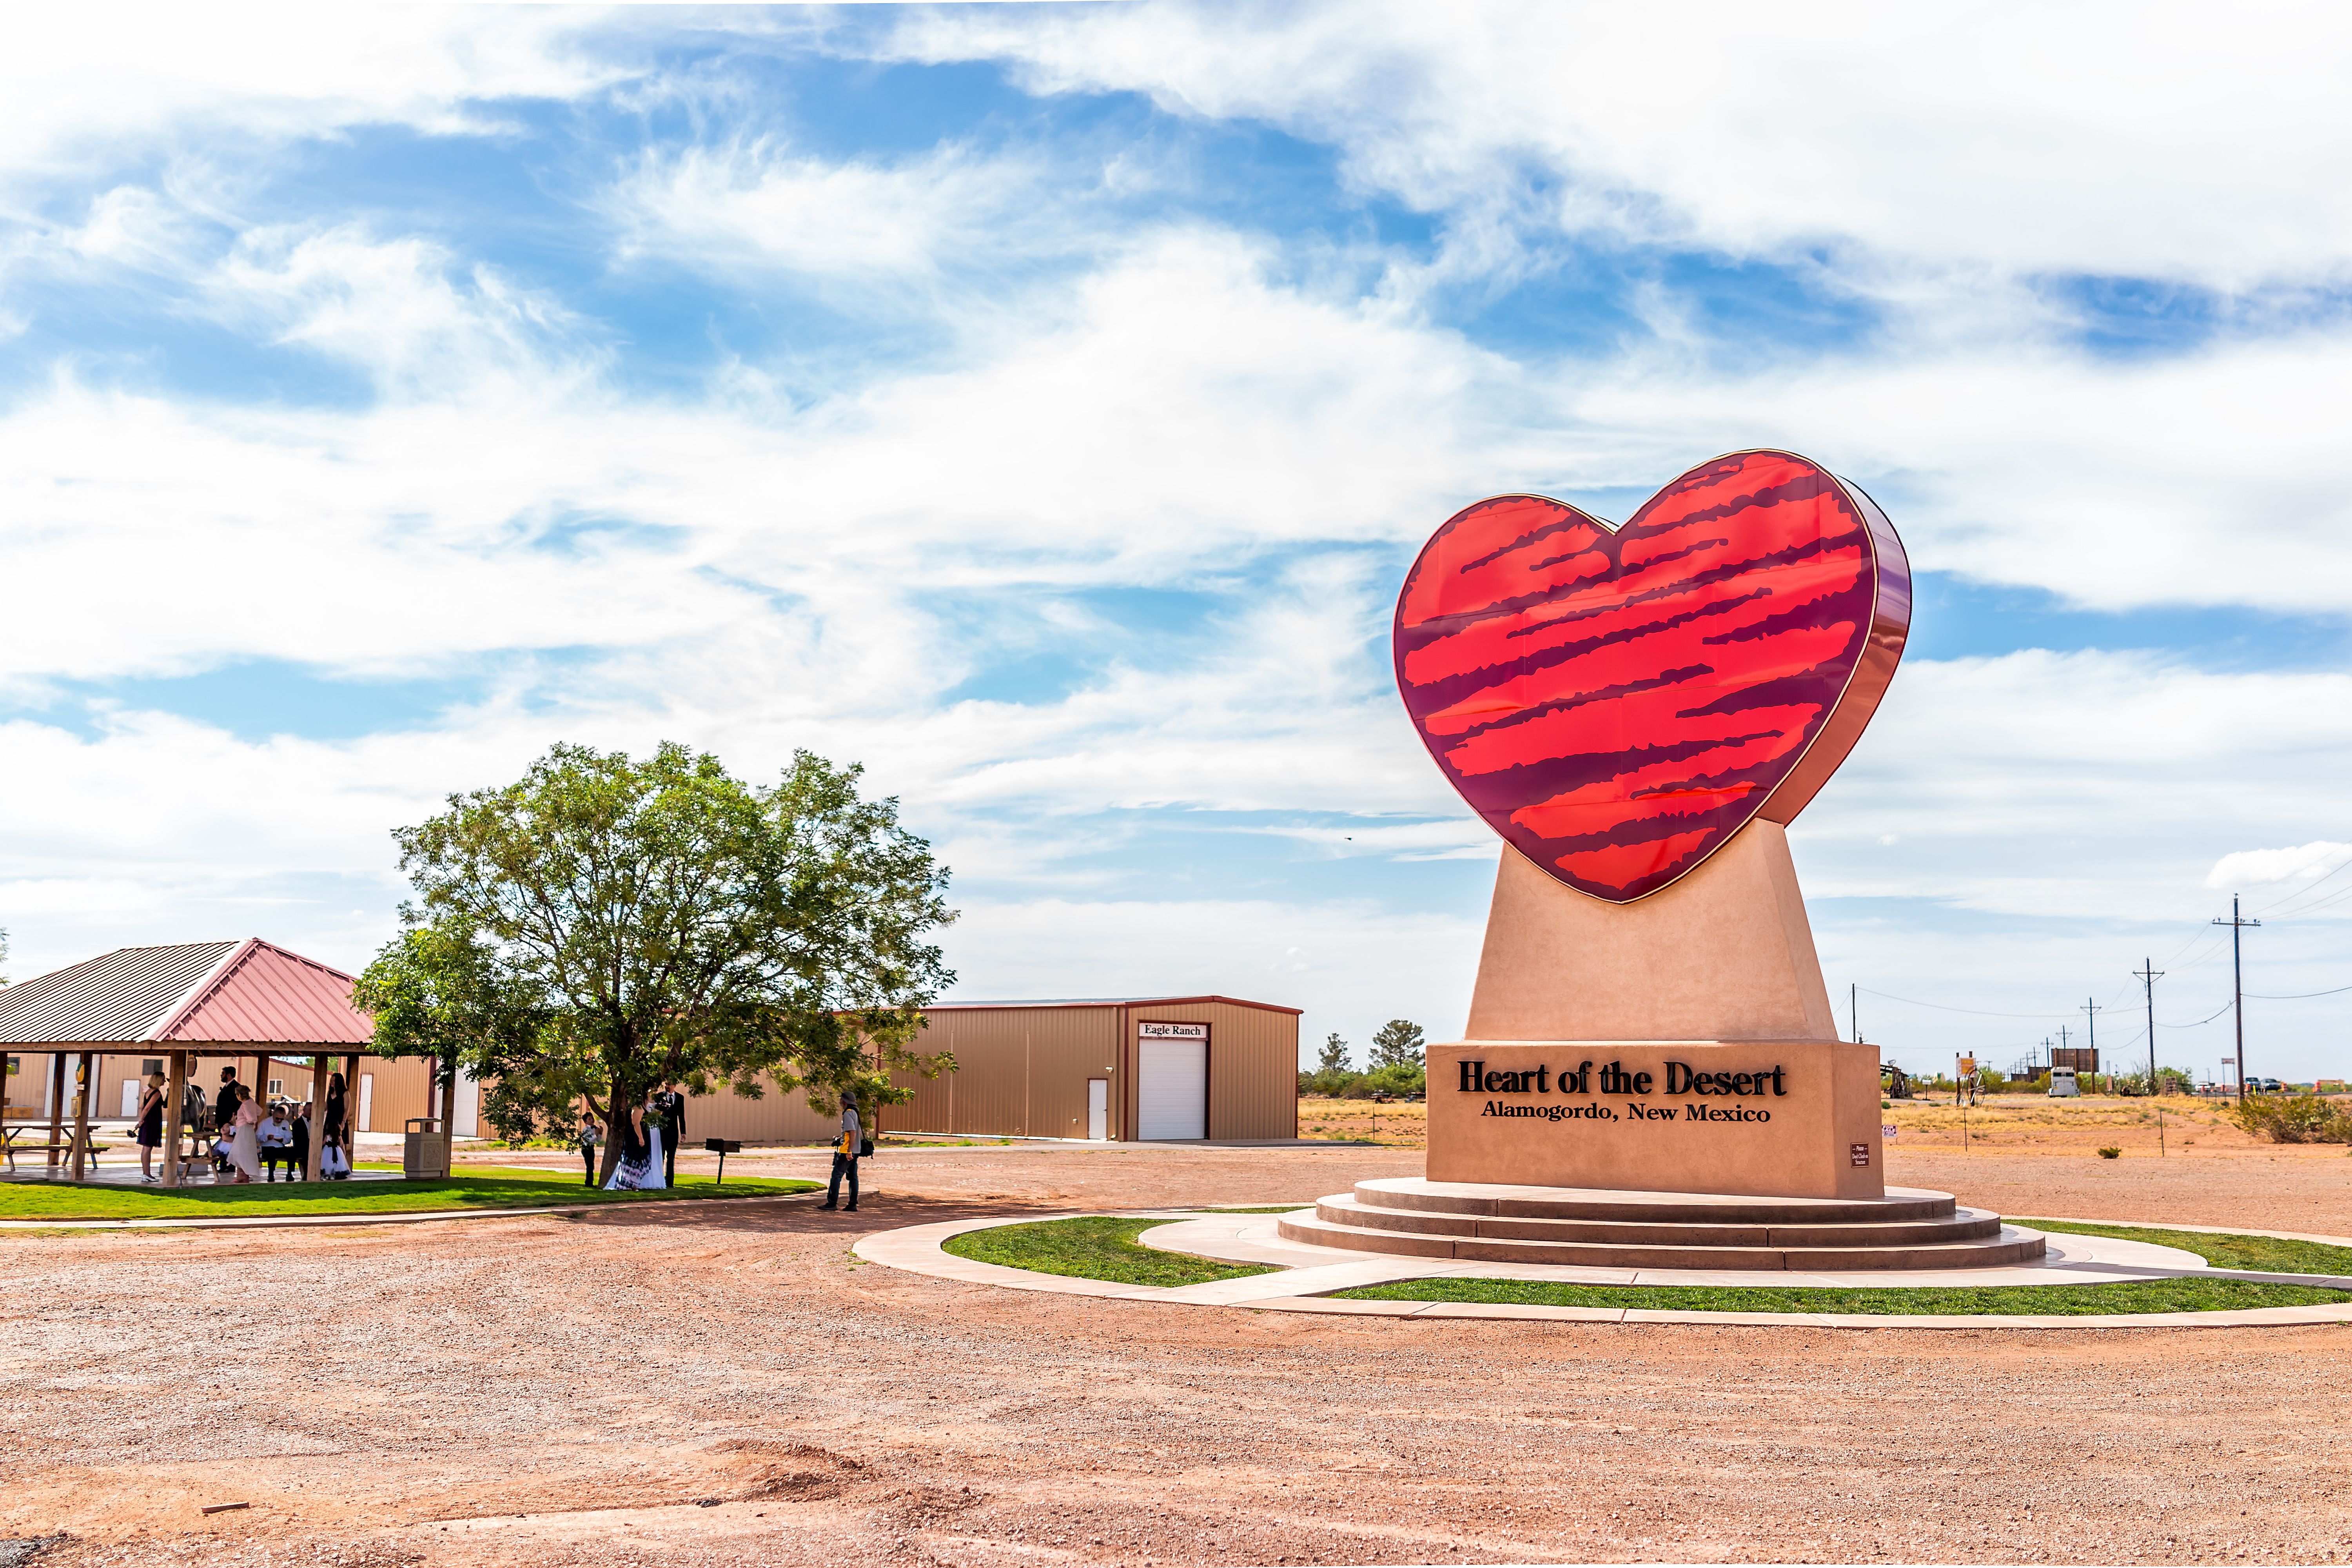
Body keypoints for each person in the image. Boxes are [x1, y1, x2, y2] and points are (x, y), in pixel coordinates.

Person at [603, 1100, 654, 1191]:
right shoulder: (637, 1107)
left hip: (637, 1138)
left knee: (637, 1163)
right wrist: (641, 1138)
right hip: (635, 1139)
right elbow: (636, 1123)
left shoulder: (640, 1107)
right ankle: (626, 1185)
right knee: (633, 1160)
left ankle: (633, 1185)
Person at [822, 1092, 860, 1212]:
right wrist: (841, 1138)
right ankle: (853, 1204)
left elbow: (852, 1132)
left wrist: (849, 1151)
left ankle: (832, 1203)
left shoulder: (848, 1113)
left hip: (847, 1152)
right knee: (853, 1177)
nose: (840, 1102)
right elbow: (850, 1133)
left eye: (841, 1100)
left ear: (845, 1101)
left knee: (836, 1176)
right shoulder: (855, 1113)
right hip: (856, 1150)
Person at [134, 1071, 167, 1183]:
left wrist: (141, 1120)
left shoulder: (148, 1092)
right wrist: (141, 1121)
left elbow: (142, 1107)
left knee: (145, 1148)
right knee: (148, 1148)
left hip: (147, 1122)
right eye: (163, 1079)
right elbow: (147, 1108)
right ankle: (147, 1174)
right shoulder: (156, 1093)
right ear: (158, 1080)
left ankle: (145, 1174)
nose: (165, 1081)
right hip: (152, 1123)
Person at [226, 1083, 263, 1185]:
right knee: (244, 1152)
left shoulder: (245, 1105)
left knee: (240, 1151)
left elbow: (251, 1118)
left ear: (239, 1095)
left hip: (244, 1130)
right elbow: (260, 1111)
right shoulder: (251, 1102)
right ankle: (243, 1175)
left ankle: (243, 1175)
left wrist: (249, 1121)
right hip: (248, 1130)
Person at [652, 1080, 686, 1186]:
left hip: (674, 1132)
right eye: (666, 1084)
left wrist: (683, 1132)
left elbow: (682, 1116)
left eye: (669, 1084)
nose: (667, 1086)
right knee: (660, 1157)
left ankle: (670, 1183)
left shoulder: (680, 1098)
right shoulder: (659, 1096)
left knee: (671, 1158)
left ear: (675, 1086)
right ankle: (659, 1181)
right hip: (662, 1131)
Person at [212, 1067, 241, 1172]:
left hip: (230, 1121)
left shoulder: (236, 1087)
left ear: (229, 1075)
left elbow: (237, 1105)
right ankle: (224, 1165)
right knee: (224, 1143)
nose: (221, 1075)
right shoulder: (226, 1087)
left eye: (223, 1073)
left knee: (230, 1143)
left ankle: (230, 1166)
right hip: (222, 1120)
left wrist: (231, 1121)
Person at [256, 1102, 295, 1181]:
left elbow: (289, 1137)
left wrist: (283, 1140)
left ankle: (290, 1174)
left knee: (292, 1151)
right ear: (273, 1115)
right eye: (277, 1119)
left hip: (280, 1147)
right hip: (267, 1147)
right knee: (271, 1152)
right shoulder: (264, 1123)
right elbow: (257, 1137)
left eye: (282, 1119)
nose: (279, 1121)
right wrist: (267, 1138)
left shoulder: (286, 1123)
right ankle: (271, 1174)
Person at [575, 1109, 601, 1188]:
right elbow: (589, 1140)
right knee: (589, 1165)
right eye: (589, 1119)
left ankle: (590, 1182)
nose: (592, 1120)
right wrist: (596, 1135)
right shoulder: (586, 1130)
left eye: (592, 1118)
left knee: (592, 1166)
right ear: (586, 1122)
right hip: (586, 1148)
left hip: (591, 1148)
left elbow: (598, 1140)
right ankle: (588, 1183)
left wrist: (600, 1133)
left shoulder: (595, 1128)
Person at [292, 1100, 312, 1181]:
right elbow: (298, 1139)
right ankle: (307, 1175)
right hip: (302, 1147)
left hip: (314, 1146)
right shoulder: (297, 1124)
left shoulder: (317, 1122)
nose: (312, 1112)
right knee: (306, 1152)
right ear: (304, 1110)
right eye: (310, 1110)